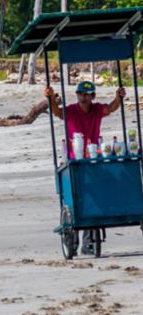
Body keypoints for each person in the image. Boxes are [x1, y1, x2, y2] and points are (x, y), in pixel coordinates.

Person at [44, 80, 126, 254]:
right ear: (78, 95)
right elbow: (57, 113)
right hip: (73, 162)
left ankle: (88, 242)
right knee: (73, 201)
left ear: (92, 97)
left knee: (94, 201)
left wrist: (118, 97)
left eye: (87, 94)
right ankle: (71, 242)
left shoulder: (97, 110)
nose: (84, 97)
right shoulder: (71, 110)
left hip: (93, 161)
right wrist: (50, 98)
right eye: (81, 94)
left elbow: (111, 108)